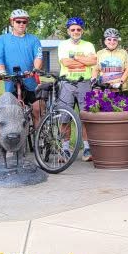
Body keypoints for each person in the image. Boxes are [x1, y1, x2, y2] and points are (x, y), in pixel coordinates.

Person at [0, 9, 43, 126]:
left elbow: (38, 56)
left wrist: (35, 69)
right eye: (18, 21)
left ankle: (39, 140)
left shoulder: (33, 39)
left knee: (37, 110)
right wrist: (2, 71)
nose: (21, 24)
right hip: (11, 82)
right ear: (12, 22)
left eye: (24, 22)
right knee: (12, 115)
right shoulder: (2, 39)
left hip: (30, 81)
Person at [57, 16, 97, 160]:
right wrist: (83, 61)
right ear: (68, 31)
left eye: (78, 29)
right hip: (67, 83)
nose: (76, 31)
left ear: (82, 31)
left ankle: (87, 149)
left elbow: (93, 61)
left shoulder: (89, 45)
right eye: (73, 29)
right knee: (65, 117)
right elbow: (66, 63)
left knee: (85, 117)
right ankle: (65, 149)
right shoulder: (63, 45)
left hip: (84, 83)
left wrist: (76, 59)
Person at [92, 28, 128, 93]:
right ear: (105, 41)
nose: (112, 42)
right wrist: (94, 81)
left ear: (117, 41)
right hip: (104, 88)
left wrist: (121, 82)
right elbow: (95, 69)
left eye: (114, 39)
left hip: (120, 89)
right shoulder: (99, 53)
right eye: (109, 39)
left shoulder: (123, 53)